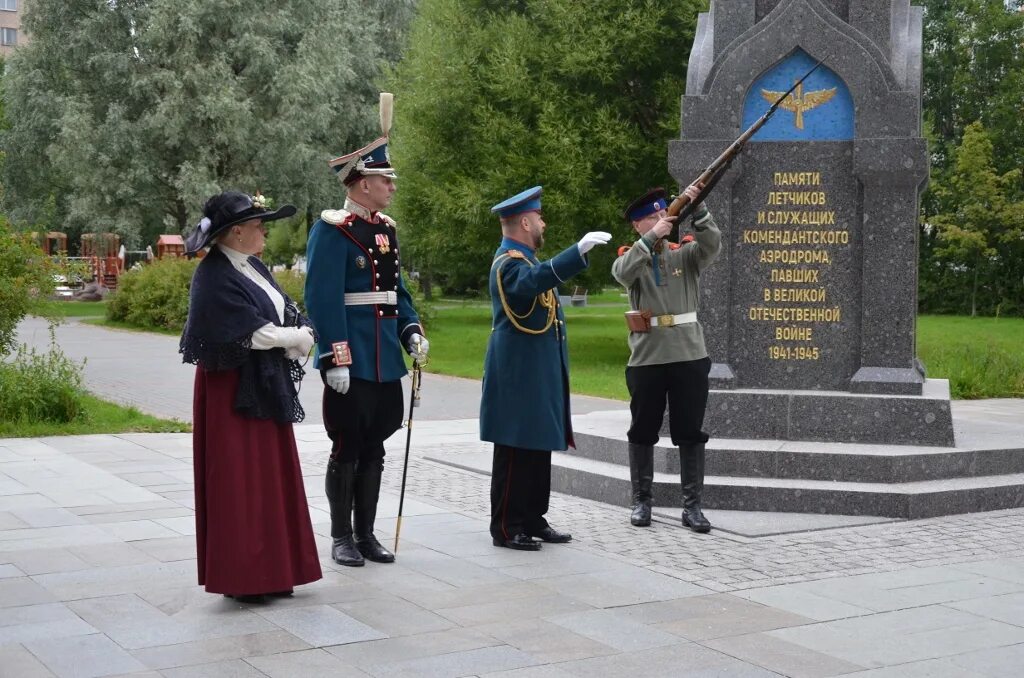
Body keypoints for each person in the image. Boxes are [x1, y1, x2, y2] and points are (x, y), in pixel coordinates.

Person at [180, 191, 323, 603]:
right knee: (239, 480)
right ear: (236, 232)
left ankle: (276, 570)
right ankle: (244, 576)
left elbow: (279, 309)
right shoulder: (213, 275)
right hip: (230, 392)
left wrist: (301, 330)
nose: (264, 229)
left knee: (269, 477)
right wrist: (293, 338)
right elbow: (249, 331)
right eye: (259, 224)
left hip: (262, 381)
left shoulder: (252, 265)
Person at [304, 129, 427, 567]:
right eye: (386, 179)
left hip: (383, 362)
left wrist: (410, 330)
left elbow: (398, 292)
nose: (392, 187)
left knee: (375, 447)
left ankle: (366, 534)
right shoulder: (332, 231)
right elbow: (321, 297)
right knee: (348, 448)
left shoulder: (385, 232)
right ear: (362, 184)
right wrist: (334, 357)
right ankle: (341, 537)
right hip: (351, 359)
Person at [480, 186, 612, 550]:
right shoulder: (508, 264)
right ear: (525, 222)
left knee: (536, 449)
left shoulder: (527, 262)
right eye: (539, 217)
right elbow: (530, 286)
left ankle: (533, 517)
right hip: (516, 376)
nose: (544, 223)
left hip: (535, 374)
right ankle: (507, 527)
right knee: (514, 451)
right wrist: (576, 254)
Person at [612, 183, 721, 533]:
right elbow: (622, 272)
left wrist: (698, 206)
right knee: (643, 430)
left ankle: (692, 507)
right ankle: (641, 502)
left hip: (689, 354)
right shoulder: (633, 257)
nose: (661, 220)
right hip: (647, 358)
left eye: (663, 213)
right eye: (652, 218)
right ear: (637, 226)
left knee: (690, 431)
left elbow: (711, 246)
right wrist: (648, 241)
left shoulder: (682, 253)